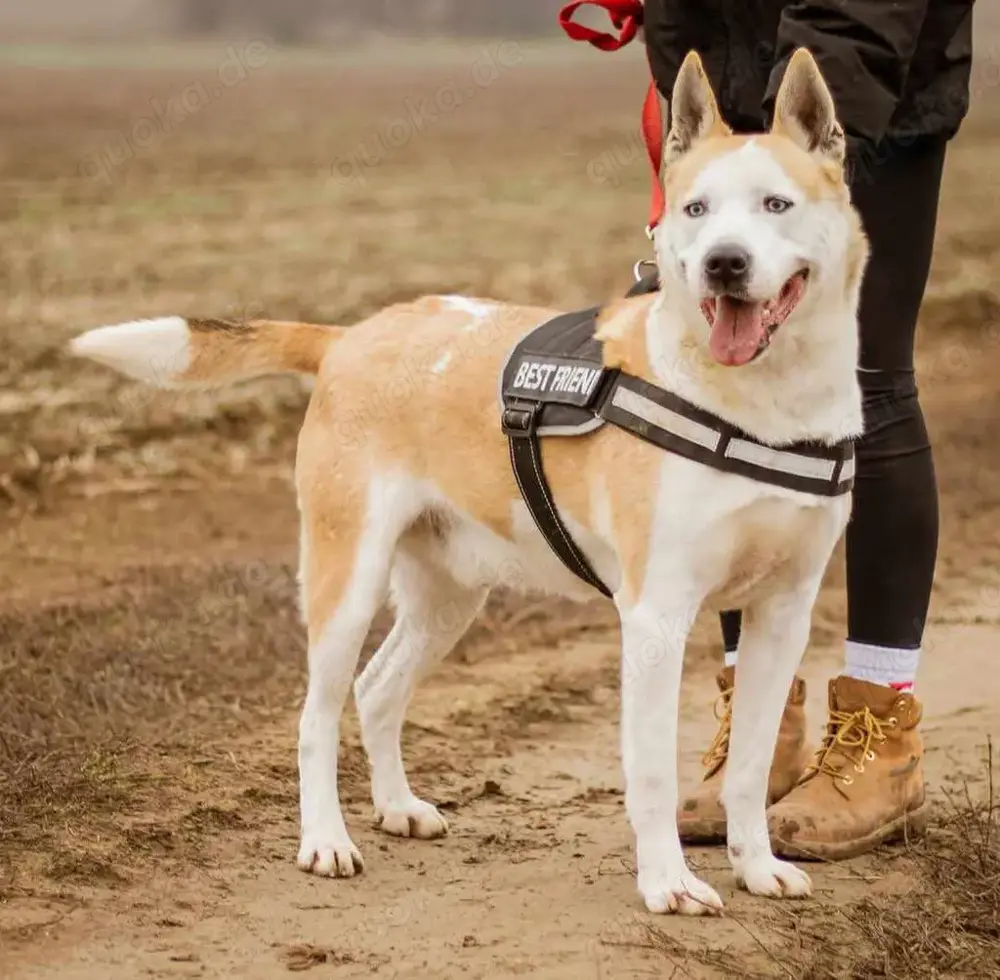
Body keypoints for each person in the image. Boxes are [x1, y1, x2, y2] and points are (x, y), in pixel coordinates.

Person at [621, 1, 975, 859]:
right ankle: (759, 728)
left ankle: (881, 735)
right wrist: (690, 95)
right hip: (728, 78)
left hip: (865, 81)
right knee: (723, 396)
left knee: (869, 381)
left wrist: (795, 124)